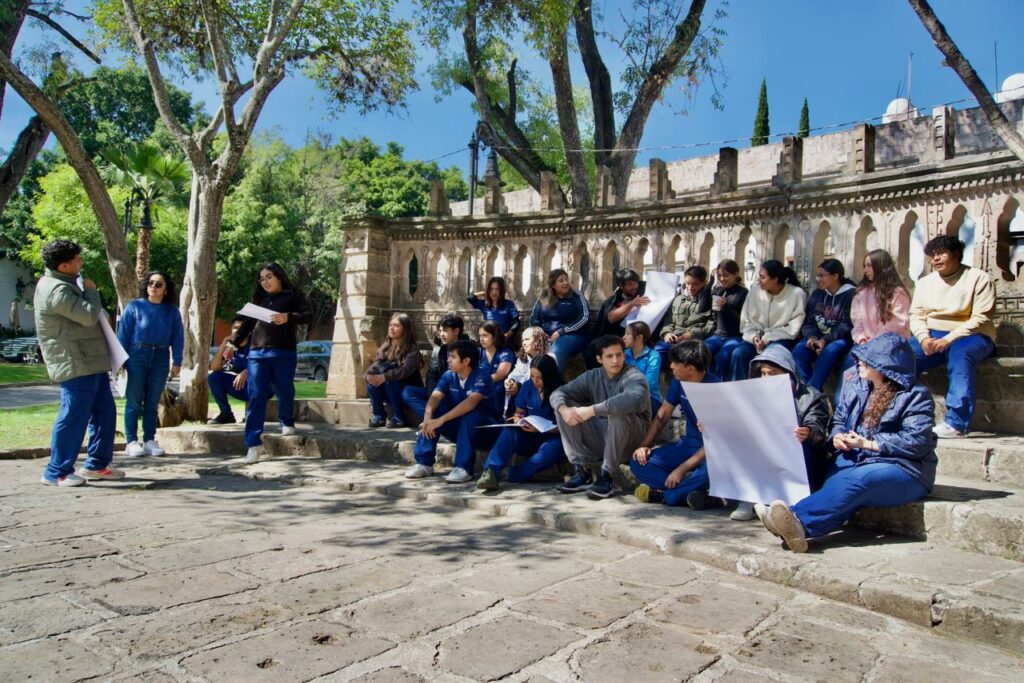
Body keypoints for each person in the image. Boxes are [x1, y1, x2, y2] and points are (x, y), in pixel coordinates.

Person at [757, 332, 937, 553]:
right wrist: (837, 437)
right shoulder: (856, 386)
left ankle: (796, 519)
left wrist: (868, 443)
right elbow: (839, 420)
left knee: (858, 480)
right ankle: (797, 530)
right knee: (837, 481)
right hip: (856, 457)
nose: (859, 362)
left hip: (905, 468)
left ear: (886, 366)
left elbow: (917, 441)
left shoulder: (916, 396)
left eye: (867, 360)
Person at [33, 239, 123, 486]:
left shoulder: (67, 283)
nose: (81, 263)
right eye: (77, 260)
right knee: (73, 416)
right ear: (63, 266)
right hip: (75, 363)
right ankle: (56, 471)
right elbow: (88, 315)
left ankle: (97, 465)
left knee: (105, 413)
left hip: (91, 361)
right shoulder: (57, 290)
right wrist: (92, 291)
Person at [908, 235, 996, 438]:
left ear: (956, 254)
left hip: (973, 335)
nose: (936, 259)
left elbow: (982, 318)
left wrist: (949, 339)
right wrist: (923, 338)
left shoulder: (978, 278)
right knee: (900, 357)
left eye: (941, 254)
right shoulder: (925, 283)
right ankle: (905, 414)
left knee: (960, 355)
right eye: (933, 255)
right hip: (933, 334)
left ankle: (956, 423)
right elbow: (916, 315)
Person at [226, 262, 311, 464]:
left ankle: (286, 421)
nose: (265, 282)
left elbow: (308, 315)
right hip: (257, 353)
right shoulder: (259, 299)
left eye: (269, 277)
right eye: (262, 279)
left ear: (279, 277)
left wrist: (288, 317)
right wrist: (234, 343)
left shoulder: (293, 296)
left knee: (284, 388)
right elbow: (247, 324)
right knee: (256, 395)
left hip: (284, 352)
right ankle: (253, 444)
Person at [550, 335, 651, 499]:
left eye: (619, 355)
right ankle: (583, 471)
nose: (615, 360)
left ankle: (607, 476)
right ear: (599, 359)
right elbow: (558, 393)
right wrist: (564, 409)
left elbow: (634, 399)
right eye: (609, 356)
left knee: (618, 412)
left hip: (630, 443)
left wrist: (591, 410)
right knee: (564, 407)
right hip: (603, 438)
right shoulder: (593, 376)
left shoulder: (634, 375)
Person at [630, 341, 718, 508]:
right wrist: (644, 445)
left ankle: (664, 495)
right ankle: (690, 491)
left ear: (690, 368)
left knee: (711, 472)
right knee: (637, 462)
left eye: (676, 363)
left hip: (711, 452)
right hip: (688, 446)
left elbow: (715, 441)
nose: (671, 366)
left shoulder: (716, 388)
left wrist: (681, 469)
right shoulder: (678, 382)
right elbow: (662, 415)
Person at [404, 339, 500, 483]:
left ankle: (464, 468)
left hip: (486, 432)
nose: (448, 360)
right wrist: (428, 416)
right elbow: (435, 397)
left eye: (453, 357)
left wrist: (440, 420)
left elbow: (470, 403)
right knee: (436, 411)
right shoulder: (449, 375)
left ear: (466, 361)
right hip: (461, 430)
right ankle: (424, 463)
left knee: (471, 415)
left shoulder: (482, 377)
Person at [117, 270, 184, 457]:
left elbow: (178, 338)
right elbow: (123, 334)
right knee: (134, 400)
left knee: (152, 401)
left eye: (158, 284)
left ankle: (149, 440)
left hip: (161, 356)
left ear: (166, 289)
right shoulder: (134, 307)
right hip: (137, 354)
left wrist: (177, 361)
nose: (153, 287)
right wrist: (120, 359)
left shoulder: (172, 311)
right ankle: (131, 441)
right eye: (150, 283)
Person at [477, 354, 567, 491]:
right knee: (509, 432)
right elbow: (519, 412)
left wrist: (545, 429)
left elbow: (569, 426)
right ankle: (490, 472)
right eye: (532, 376)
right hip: (529, 434)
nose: (535, 381)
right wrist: (519, 420)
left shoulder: (562, 390)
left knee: (551, 451)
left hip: (553, 438)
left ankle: (513, 474)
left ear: (549, 376)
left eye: (539, 377)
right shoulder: (527, 386)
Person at [836, 249, 912, 399]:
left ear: (881, 266)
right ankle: (841, 403)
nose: (865, 270)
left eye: (870, 266)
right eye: (864, 266)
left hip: (889, 346)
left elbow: (897, 325)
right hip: (864, 344)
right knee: (848, 371)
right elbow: (857, 321)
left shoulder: (898, 293)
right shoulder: (861, 292)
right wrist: (862, 340)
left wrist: (875, 345)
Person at [730, 260, 807, 381]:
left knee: (770, 358)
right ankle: (739, 390)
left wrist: (767, 338)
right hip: (754, 339)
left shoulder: (796, 294)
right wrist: (754, 337)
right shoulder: (754, 292)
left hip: (781, 339)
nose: (758, 280)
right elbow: (746, 320)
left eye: (762, 277)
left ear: (775, 279)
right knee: (738, 354)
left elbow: (794, 327)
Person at [791, 259, 855, 391]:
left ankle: (812, 390)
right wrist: (813, 337)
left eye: (822, 275)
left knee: (830, 351)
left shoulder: (850, 294)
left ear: (836, 276)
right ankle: (807, 390)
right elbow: (808, 321)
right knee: (799, 350)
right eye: (817, 276)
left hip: (839, 339)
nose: (818, 279)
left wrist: (825, 340)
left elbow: (846, 325)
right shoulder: (817, 293)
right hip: (817, 338)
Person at [402, 314, 468, 424]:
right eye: (440, 331)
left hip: (457, 393)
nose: (441, 334)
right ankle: (430, 420)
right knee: (408, 392)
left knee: (443, 403)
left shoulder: (467, 350)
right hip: (439, 392)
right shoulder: (438, 350)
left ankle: (435, 423)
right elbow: (432, 374)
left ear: (456, 331)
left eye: (445, 331)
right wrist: (431, 396)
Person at [365, 312, 423, 428]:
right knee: (371, 384)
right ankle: (379, 416)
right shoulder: (386, 347)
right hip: (390, 387)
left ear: (405, 329)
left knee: (390, 383)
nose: (392, 328)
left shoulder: (412, 350)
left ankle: (399, 417)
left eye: (396, 325)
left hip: (407, 388)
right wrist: (368, 376)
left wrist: (384, 377)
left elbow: (405, 371)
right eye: (390, 325)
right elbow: (376, 365)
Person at [586, 268, 650, 369]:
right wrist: (631, 304)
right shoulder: (616, 299)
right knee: (592, 348)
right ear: (621, 286)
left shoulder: (645, 292)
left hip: (639, 335)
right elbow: (611, 318)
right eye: (629, 284)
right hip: (618, 335)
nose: (634, 286)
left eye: (635, 282)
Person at [529, 268, 590, 371]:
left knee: (557, 349)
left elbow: (584, 317)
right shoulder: (544, 296)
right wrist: (538, 332)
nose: (565, 283)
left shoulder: (576, 295)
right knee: (531, 348)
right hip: (546, 337)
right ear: (553, 285)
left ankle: (552, 380)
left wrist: (561, 332)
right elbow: (534, 318)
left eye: (566, 279)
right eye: (561, 281)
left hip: (573, 336)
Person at [703, 259, 749, 382]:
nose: (722, 279)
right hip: (717, 335)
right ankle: (707, 383)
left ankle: (721, 386)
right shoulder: (718, 290)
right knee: (702, 351)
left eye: (726, 275)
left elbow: (743, 320)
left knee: (722, 356)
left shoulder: (743, 293)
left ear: (736, 274)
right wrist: (711, 282)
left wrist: (726, 307)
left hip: (735, 336)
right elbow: (702, 308)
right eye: (719, 276)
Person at [208, 317, 251, 424]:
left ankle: (252, 414)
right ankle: (226, 414)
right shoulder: (231, 347)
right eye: (235, 328)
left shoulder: (256, 343)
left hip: (263, 386)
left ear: (248, 331)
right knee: (214, 377)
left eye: (241, 328)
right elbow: (214, 368)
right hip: (243, 387)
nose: (237, 331)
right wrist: (224, 344)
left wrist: (247, 372)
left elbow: (266, 366)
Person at [658, 265, 713, 349]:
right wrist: (667, 333)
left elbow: (710, 325)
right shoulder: (677, 299)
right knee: (660, 349)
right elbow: (669, 321)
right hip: (675, 337)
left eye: (695, 284)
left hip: (696, 340)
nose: (690, 288)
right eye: (688, 283)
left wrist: (691, 334)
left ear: (703, 283)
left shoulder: (709, 300)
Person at [504, 325, 551, 415]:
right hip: (524, 391)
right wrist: (510, 381)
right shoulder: (524, 356)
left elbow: (537, 381)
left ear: (538, 340)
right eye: (522, 340)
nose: (524, 343)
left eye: (527, 339)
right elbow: (517, 373)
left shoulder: (548, 358)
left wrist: (518, 386)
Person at [477, 320, 515, 417]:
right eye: (480, 335)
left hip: (499, 394)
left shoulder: (505, 352)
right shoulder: (478, 352)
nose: (481, 339)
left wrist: (479, 382)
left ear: (495, 336)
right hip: (480, 391)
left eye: (485, 336)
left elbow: (500, 374)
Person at [623, 320, 662, 415]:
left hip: (649, 398)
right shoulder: (623, 354)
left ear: (639, 337)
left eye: (628, 334)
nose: (624, 337)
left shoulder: (653, 356)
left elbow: (650, 384)